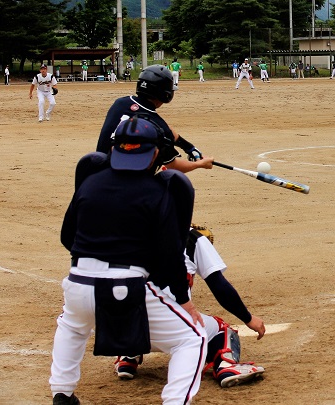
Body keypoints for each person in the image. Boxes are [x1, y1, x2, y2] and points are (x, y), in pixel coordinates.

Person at [50, 116, 207, 405]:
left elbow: (66, 236)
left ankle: (62, 393)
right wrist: (185, 300)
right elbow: (171, 255)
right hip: (126, 287)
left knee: (71, 326)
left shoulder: (91, 182)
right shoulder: (159, 191)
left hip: (76, 282)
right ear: (155, 154)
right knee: (193, 337)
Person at [114, 225, 266, 388]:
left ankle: (128, 356)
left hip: (121, 330)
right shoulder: (192, 237)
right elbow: (220, 287)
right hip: (170, 328)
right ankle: (226, 366)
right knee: (222, 329)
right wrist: (248, 318)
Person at [96, 64, 213, 173]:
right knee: (169, 177)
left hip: (98, 170)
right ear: (165, 94)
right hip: (126, 181)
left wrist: (188, 147)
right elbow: (172, 166)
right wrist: (200, 164)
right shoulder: (158, 125)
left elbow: (164, 128)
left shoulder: (121, 103)